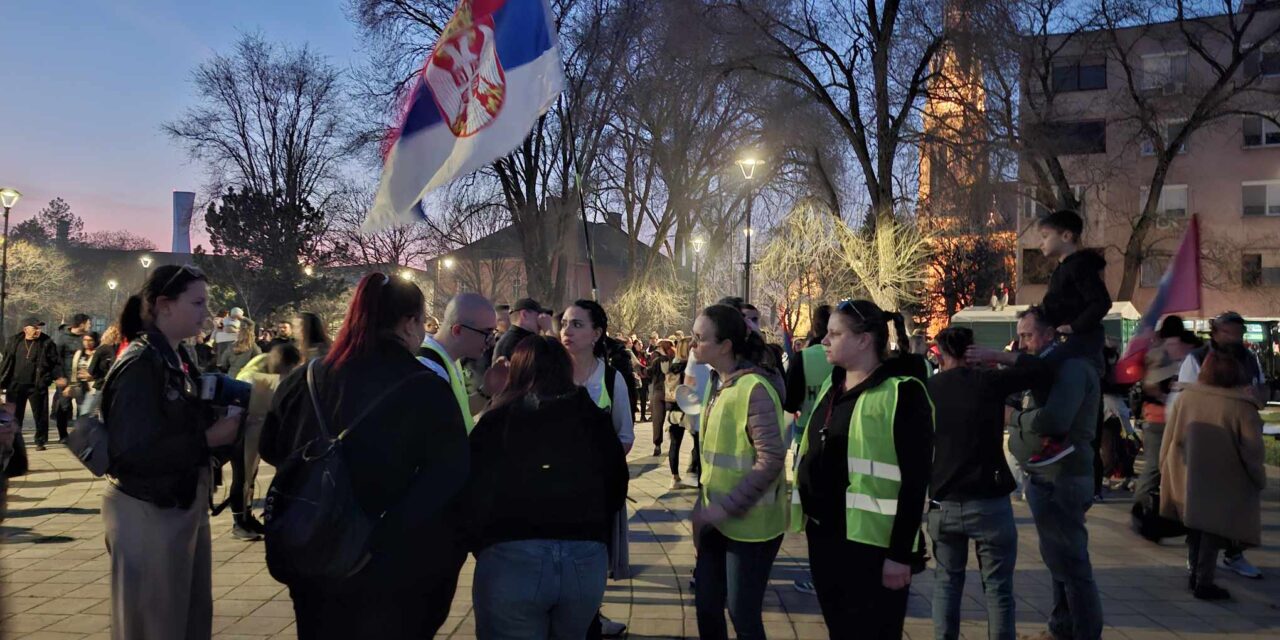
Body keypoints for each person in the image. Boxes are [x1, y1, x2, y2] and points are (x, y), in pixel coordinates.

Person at [261, 272, 470, 638]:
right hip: (393, 568)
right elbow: (449, 474)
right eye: (422, 321)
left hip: (314, 553)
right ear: (407, 324)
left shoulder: (306, 378)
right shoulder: (425, 389)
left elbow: (271, 447)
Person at [99, 266, 240, 639]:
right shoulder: (141, 363)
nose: (205, 314)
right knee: (154, 624)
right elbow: (132, 451)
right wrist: (208, 440)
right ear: (164, 305)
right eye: (197, 303)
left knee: (186, 619)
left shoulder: (175, 357)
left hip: (176, 506)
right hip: (148, 512)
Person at [463, 336, 628, 639]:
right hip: (584, 559)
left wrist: (485, 544)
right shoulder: (593, 419)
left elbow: (470, 489)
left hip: (510, 558)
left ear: (518, 371)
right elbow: (616, 484)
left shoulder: (498, 422)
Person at [791, 300, 933, 638]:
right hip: (826, 537)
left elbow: (915, 482)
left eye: (835, 334)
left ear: (864, 340)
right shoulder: (833, 385)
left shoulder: (903, 392)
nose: (824, 340)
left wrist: (900, 555)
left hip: (874, 547)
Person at [987, 306, 1104, 640]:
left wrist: (1013, 419)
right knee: (1059, 562)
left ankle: (1083, 632)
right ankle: (1063, 626)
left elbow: (1054, 420)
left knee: (1072, 564)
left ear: (1050, 334)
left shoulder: (1070, 368)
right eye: (1019, 336)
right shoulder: (1049, 367)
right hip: (1045, 474)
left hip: (1061, 475)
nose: (1022, 344)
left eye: (1028, 335)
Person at [928, 327, 1051, 640]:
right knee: (998, 590)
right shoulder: (989, 383)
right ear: (972, 351)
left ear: (939, 353)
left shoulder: (929, 388)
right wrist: (997, 355)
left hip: (945, 498)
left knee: (947, 583)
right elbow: (1040, 370)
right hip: (989, 498)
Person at [690, 304, 787, 640]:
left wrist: (727, 505)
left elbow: (771, 459)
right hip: (716, 519)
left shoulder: (754, 389)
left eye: (700, 338)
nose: (693, 345)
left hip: (751, 528)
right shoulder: (716, 383)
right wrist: (701, 508)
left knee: (742, 614)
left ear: (725, 345)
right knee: (706, 606)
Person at [1160, 343, 1266, 601]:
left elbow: (1170, 434)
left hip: (1187, 471)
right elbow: (1252, 450)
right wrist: (1258, 479)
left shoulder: (1186, 397)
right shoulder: (1242, 407)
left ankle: (1195, 573)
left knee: (1195, 525)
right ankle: (1203, 581)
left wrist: (1164, 466)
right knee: (1212, 529)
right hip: (1224, 478)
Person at [559, 300, 635, 637]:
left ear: (596, 333)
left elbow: (625, 434)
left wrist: (599, 463)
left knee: (591, 561)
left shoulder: (610, 377)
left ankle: (592, 617)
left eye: (577, 324)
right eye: (564, 323)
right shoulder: (551, 372)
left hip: (597, 492)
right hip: (554, 489)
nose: (567, 331)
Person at [1031, 209, 1112, 468]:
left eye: (1045, 236)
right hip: (1072, 342)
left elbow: (1101, 302)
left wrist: (1073, 328)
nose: (1041, 243)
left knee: (1041, 369)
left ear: (1067, 236)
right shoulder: (1065, 269)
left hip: (1079, 344)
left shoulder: (1078, 267)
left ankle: (1055, 436)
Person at [225, 343, 302, 541]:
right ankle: (239, 523)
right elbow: (262, 410)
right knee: (242, 477)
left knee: (249, 477)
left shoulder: (264, 365)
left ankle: (247, 516)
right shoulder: (257, 379)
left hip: (248, 431)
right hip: (239, 432)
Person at [1134, 316, 1198, 506]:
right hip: (1171, 416)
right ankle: (1146, 507)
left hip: (1157, 416)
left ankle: (1145, 506)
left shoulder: (1157, 352)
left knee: (1156, 466)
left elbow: (1149, 384)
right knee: (1167, 466)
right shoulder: (1187, 353)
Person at [421, 293, 500, 434]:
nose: (492, 341)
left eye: (494, 333)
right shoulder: (429, 369)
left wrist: (487, 389)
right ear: (457, 330)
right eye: (487, 333)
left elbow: (462, 410)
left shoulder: (451, 359)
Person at [0, 317, 64, 451]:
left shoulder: (46, 342)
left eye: (39, 327)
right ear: (25, 329)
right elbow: (6, 363)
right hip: (16, 385)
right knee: (15, 416)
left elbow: (55, 362)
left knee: (40, 415)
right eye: (35, 327)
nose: (38, 330)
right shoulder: (14, 341)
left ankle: (40, 441)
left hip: (37, 385)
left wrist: (58, 376)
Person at [784, 305, 835, 450]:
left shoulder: (803, 357)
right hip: (840, 438)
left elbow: (790, 403)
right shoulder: (848, 357)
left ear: (814, 328)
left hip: (806, 439)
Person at [52, 313, 95, 440]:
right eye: (88, 323)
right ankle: (63, 435)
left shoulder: (86, 338)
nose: (90, 325)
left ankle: (82, 434)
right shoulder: (62, 338)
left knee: (84, 407)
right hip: (66, 378)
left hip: (82, 379)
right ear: (81, 324)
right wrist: (59, 376)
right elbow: (55, 359)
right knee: (64, 407)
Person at [646, 339, 676, 456]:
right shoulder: (675, 360)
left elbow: (649, 373)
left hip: (659, 391)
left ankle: (657, 445)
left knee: (657, 420)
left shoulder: (657, 360)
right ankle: (674, 442)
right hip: (673, 393)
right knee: (675, 419)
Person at [494, 298, 542, 362]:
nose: (541, 319)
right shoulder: (515, 342)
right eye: (538, 314)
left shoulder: (520, 338)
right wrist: (548, 330)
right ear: (524, 315)